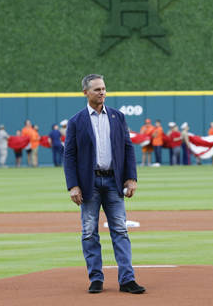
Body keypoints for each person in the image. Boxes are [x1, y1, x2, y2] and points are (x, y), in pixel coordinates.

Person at [64, 74, 145, 294]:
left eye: (104, 89)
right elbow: (69, 156)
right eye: (97, 89)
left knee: (120, 230)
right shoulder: (76, 121)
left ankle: (127, 279)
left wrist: (131, 178)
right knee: (89, 232)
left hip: (113, 181)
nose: (102, 92)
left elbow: (128, 148)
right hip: (88, 182)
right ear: (85, 92)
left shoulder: (117, 117)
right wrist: (73, 185)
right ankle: (96, 279)